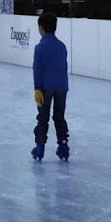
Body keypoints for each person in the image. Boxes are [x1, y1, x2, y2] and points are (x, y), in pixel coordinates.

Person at [31, 11, 69, 161]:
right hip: (62, 87)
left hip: (45, 87)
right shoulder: (62, 46)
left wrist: (37, 88)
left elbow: (37, 69)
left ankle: (40, 148)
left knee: (43, 118)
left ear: (41, 28)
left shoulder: (39, 48)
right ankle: (64, 146)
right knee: (59, 117)